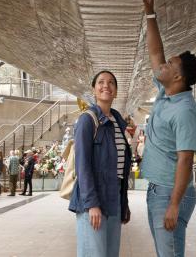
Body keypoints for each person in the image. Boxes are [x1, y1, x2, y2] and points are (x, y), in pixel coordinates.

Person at [141, 0, 196, 257]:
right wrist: (150, 14)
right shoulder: (166, 93)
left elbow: (186, 159)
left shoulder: (185, 112)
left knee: (170, 254)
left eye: (171, 64)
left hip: (170, 193)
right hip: (158, 190)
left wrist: (174, 204)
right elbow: (156, 52)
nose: (163, 64)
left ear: (178, 76)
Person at [68, 71, 131, 257]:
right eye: (101, 82)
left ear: (116, 91)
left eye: (111, 83)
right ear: (94, 90)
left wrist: (124, 203)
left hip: (114, 199)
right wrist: (92, 204)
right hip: (94, 200)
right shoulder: (87, 119)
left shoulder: (117, 121)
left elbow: (121, 168)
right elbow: (83, 165)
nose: (106, 86)